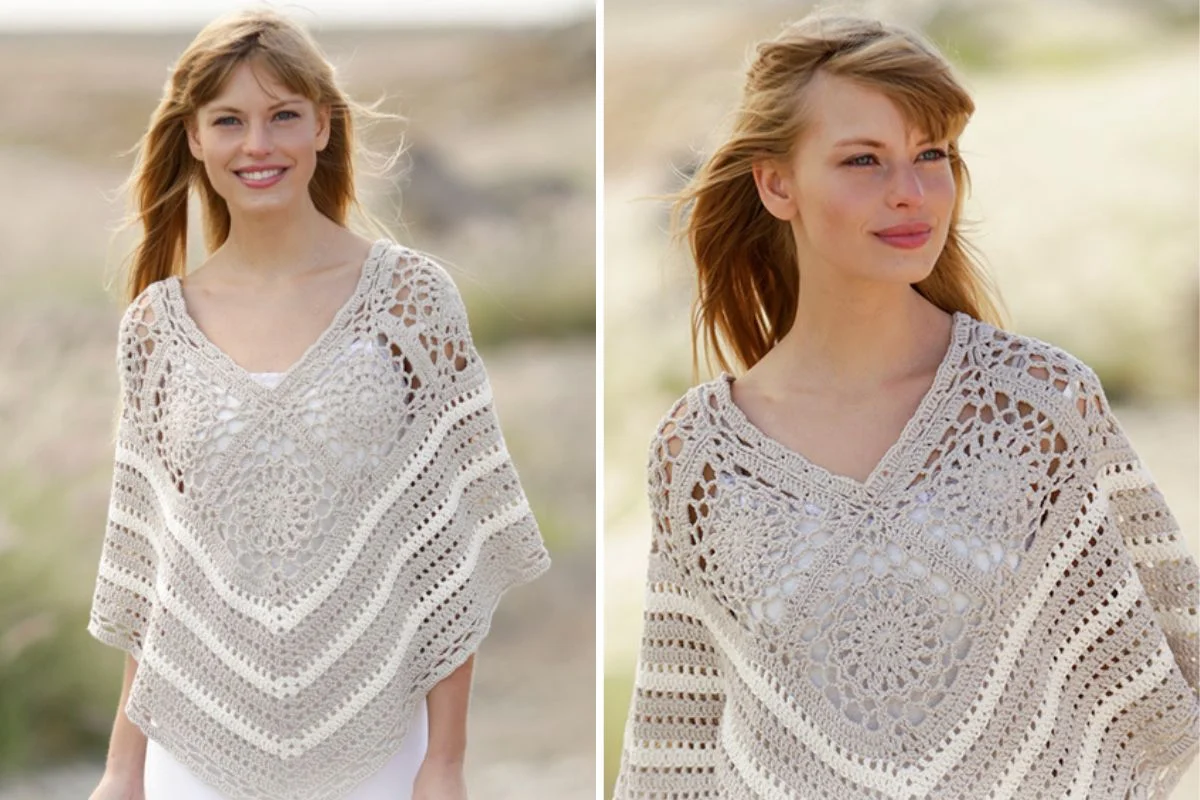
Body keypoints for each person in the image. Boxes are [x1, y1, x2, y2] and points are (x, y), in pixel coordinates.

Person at [613, 13, 1198, 799]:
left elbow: (1154, 671)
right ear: (776, 183)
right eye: (864, 160)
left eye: (933, 156)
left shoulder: (1037, 407)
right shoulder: (701, 453)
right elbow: (676, 751)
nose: (912, 194)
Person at [85, 9, 550, 800]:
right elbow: (155, 581)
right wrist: (122, 770)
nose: (257, 145)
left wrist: (446, 764)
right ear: (194, 137)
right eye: (228, 120)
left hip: (375, 745)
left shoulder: (410, 300)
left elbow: (444, 558)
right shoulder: (156, 329)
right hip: (192, 751)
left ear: (324, 128)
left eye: (283, 116)